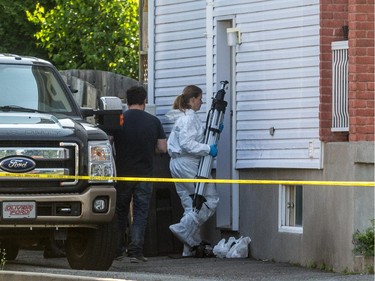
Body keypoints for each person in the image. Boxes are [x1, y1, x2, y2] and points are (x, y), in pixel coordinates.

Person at [113, 85, 167, 263]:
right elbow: (162, 148)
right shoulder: (153, 121)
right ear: (144, 101)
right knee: (141, 212)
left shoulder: (119, 120)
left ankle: (118, 250)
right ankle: (135, 251)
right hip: (145, 173)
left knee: (120, 211)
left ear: (126, 102)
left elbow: (108, 143)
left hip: (122, 174)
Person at [166, 85, 220, 257]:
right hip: (187, 164)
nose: (202, 102)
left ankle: (190, 247)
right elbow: (187, 144)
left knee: (190, 203)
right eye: (200, 98)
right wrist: (207, 148)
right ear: (192, 100)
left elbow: (187, 140)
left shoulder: (183, 117)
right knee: (210, 199)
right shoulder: (189, 119)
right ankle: (183, 229)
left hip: (176, 163)